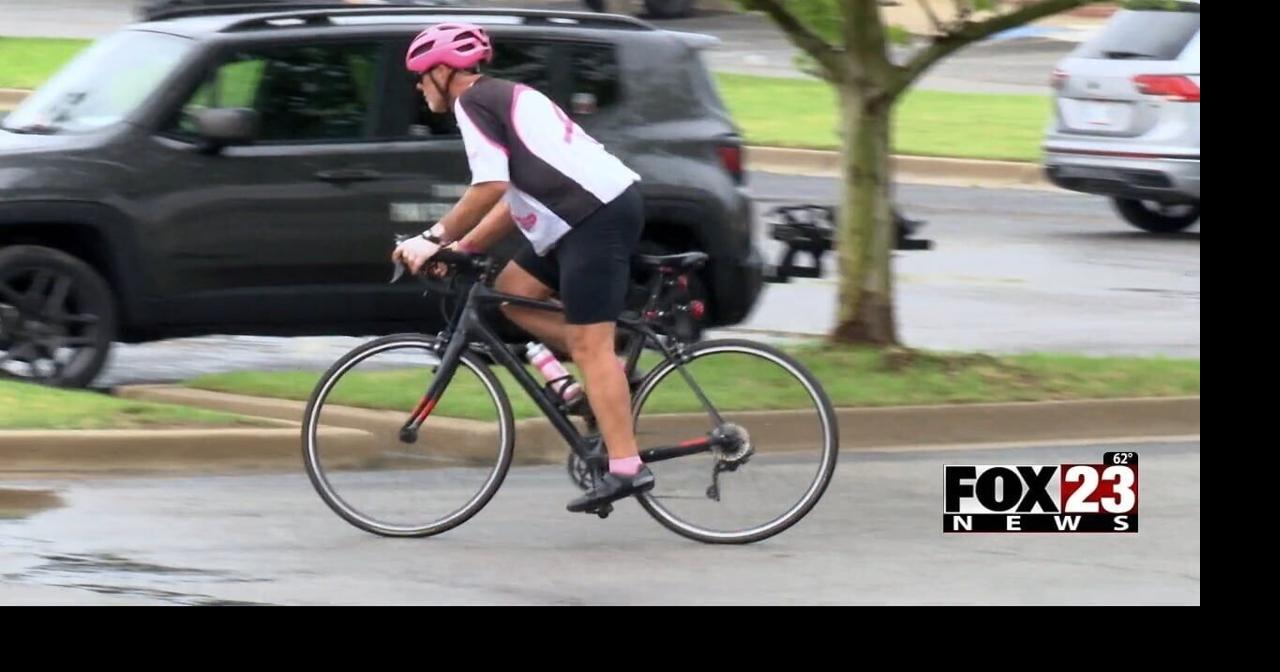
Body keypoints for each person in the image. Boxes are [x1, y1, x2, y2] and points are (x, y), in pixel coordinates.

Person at [392, 23, 653, 513]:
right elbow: (513, 198)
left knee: (586, 343)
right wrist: (464, 248)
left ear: (446, 71)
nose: (419, 86)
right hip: (579, 217)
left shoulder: (473, 103)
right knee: (512, 293)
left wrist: (431, 239)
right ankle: (613, 377)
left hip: (594, 217)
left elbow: (489, 186)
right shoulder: (499, 97)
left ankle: (625, 466)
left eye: (422, 75)